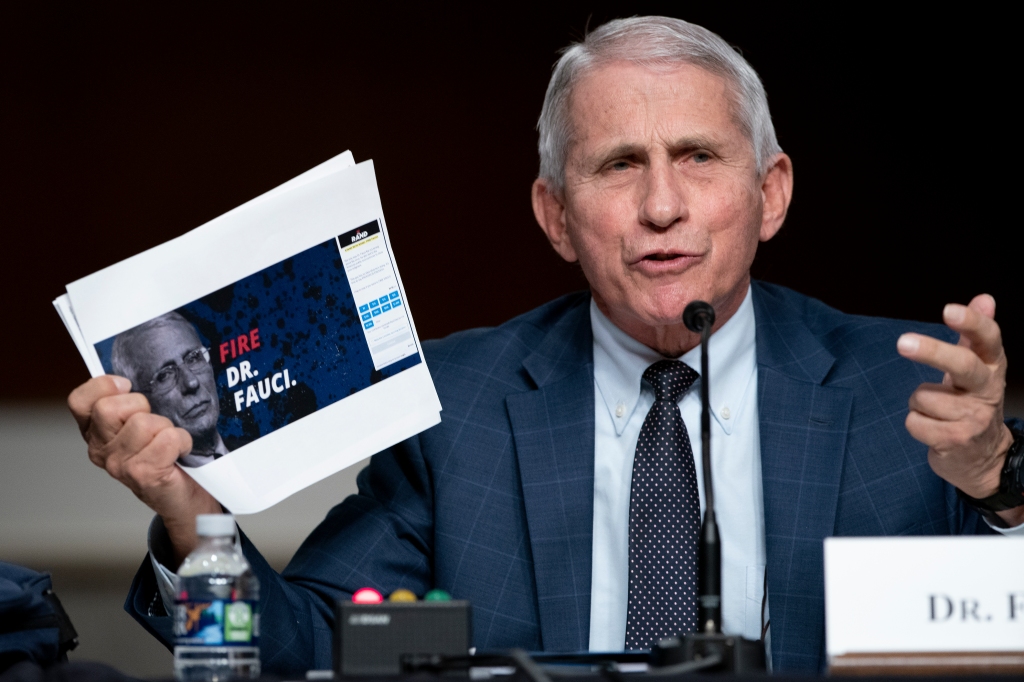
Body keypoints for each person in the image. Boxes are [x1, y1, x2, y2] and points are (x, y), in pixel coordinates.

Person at [67, 16, 1023, 675]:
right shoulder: (460, 406)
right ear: (556, 216)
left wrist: (998, 488)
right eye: (619, 166)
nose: (661, 206)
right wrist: (189, 511)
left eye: (698, 157)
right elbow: (279, 658)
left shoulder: (909, 394)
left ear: (769, 194)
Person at [107, 312, 228, 467]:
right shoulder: (157, 483)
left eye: (193, 358)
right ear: (139, 400)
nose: (191, 383)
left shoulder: (261, 453)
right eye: (164, 376)